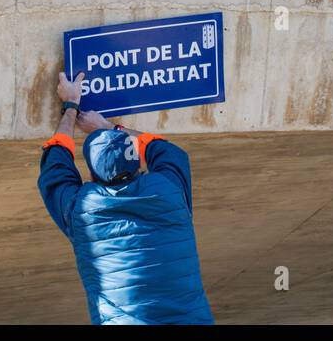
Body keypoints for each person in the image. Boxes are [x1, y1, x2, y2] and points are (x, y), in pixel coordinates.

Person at [37, 70, 214, 325]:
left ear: (92, 174)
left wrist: (70, 106)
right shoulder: (169, 189)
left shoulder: (83, 209)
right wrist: (110, 127)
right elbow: (165, 150)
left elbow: (55, 165)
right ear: (137, 165)